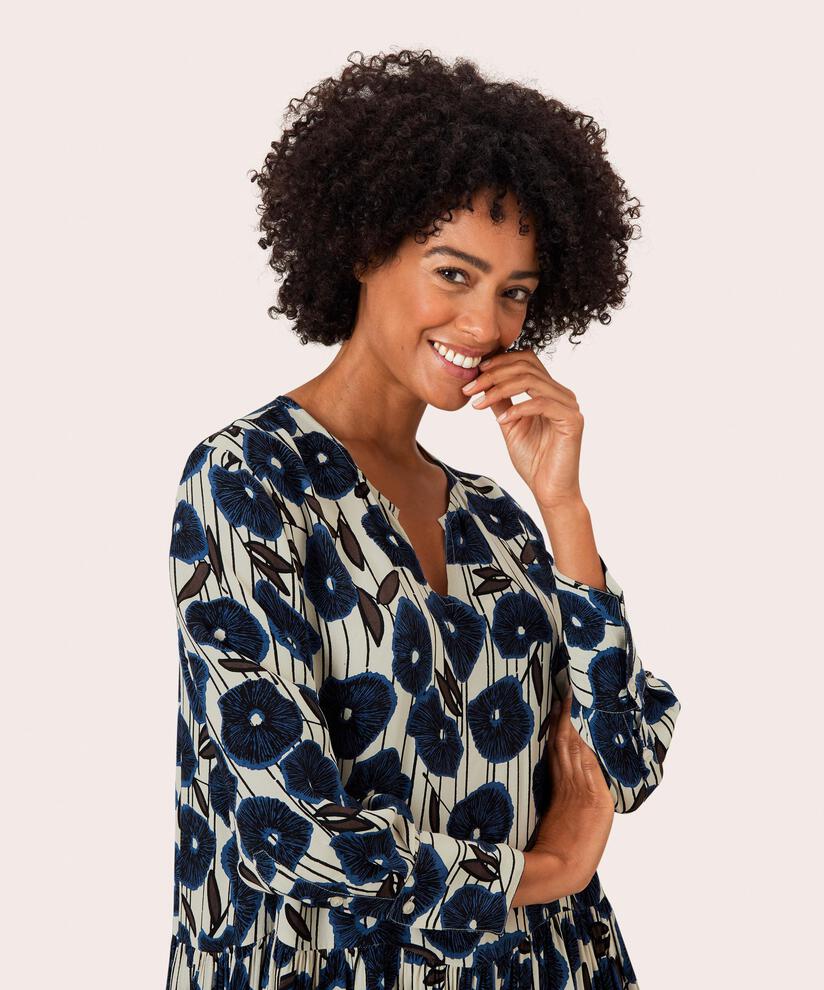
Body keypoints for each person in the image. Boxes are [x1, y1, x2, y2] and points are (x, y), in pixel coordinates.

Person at [166, 49, 681, 990]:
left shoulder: (497, 522)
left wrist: (562, 507)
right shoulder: (249, 480)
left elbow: (626, 756)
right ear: (365, 247)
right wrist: (549, 870)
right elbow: (291, 834)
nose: (485, 325)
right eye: (454, 273)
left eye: (514, 292)